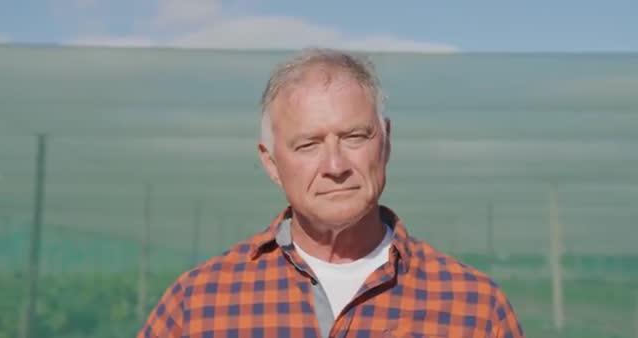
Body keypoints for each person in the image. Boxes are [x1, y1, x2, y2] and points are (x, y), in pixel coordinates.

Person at [138, 48, 525, 338]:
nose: (335, 166)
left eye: (355, 137)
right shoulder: (199, 304)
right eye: (308, 145)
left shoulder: (474, 308)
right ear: (271, 163)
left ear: (386, 143)